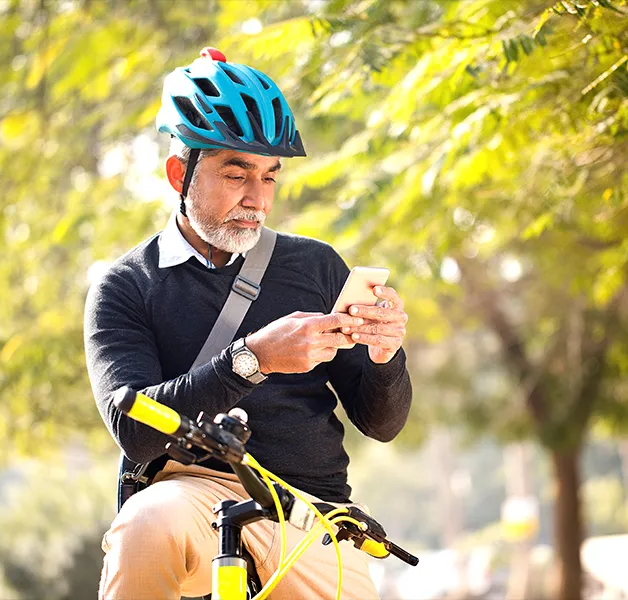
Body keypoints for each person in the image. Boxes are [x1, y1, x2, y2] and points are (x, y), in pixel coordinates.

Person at [84, 47, 412, 599]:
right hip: (194, 496)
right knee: (145, 524)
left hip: (314, 516)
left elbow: (382, 424)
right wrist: (252, 359)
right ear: (178, 173)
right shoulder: (126, 286)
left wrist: (386, 355)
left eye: (269, 178)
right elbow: (135, 430)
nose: (257, 199)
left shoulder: (316, 265)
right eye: (236, 175)